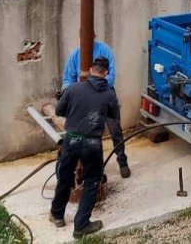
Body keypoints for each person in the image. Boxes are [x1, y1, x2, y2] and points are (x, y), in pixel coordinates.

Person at [49, 57, 120, 237]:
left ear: (90, 70)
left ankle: (57, 215)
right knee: (91, 182)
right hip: (92, 143)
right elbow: (114, 116)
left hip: (71, 140)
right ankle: (81, 226)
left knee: (64, 177)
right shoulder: (109, 93)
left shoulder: (74, 88)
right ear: (106, 73)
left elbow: (58, 111)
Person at [60, 41, 130, 177]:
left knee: (115, 129)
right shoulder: (75, 55)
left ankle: (122, 162)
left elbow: (111, 77)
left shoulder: (105, 51)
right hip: (83, 97)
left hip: (105, 93)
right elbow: (68, 79)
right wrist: (76, 92)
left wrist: (95, 87)